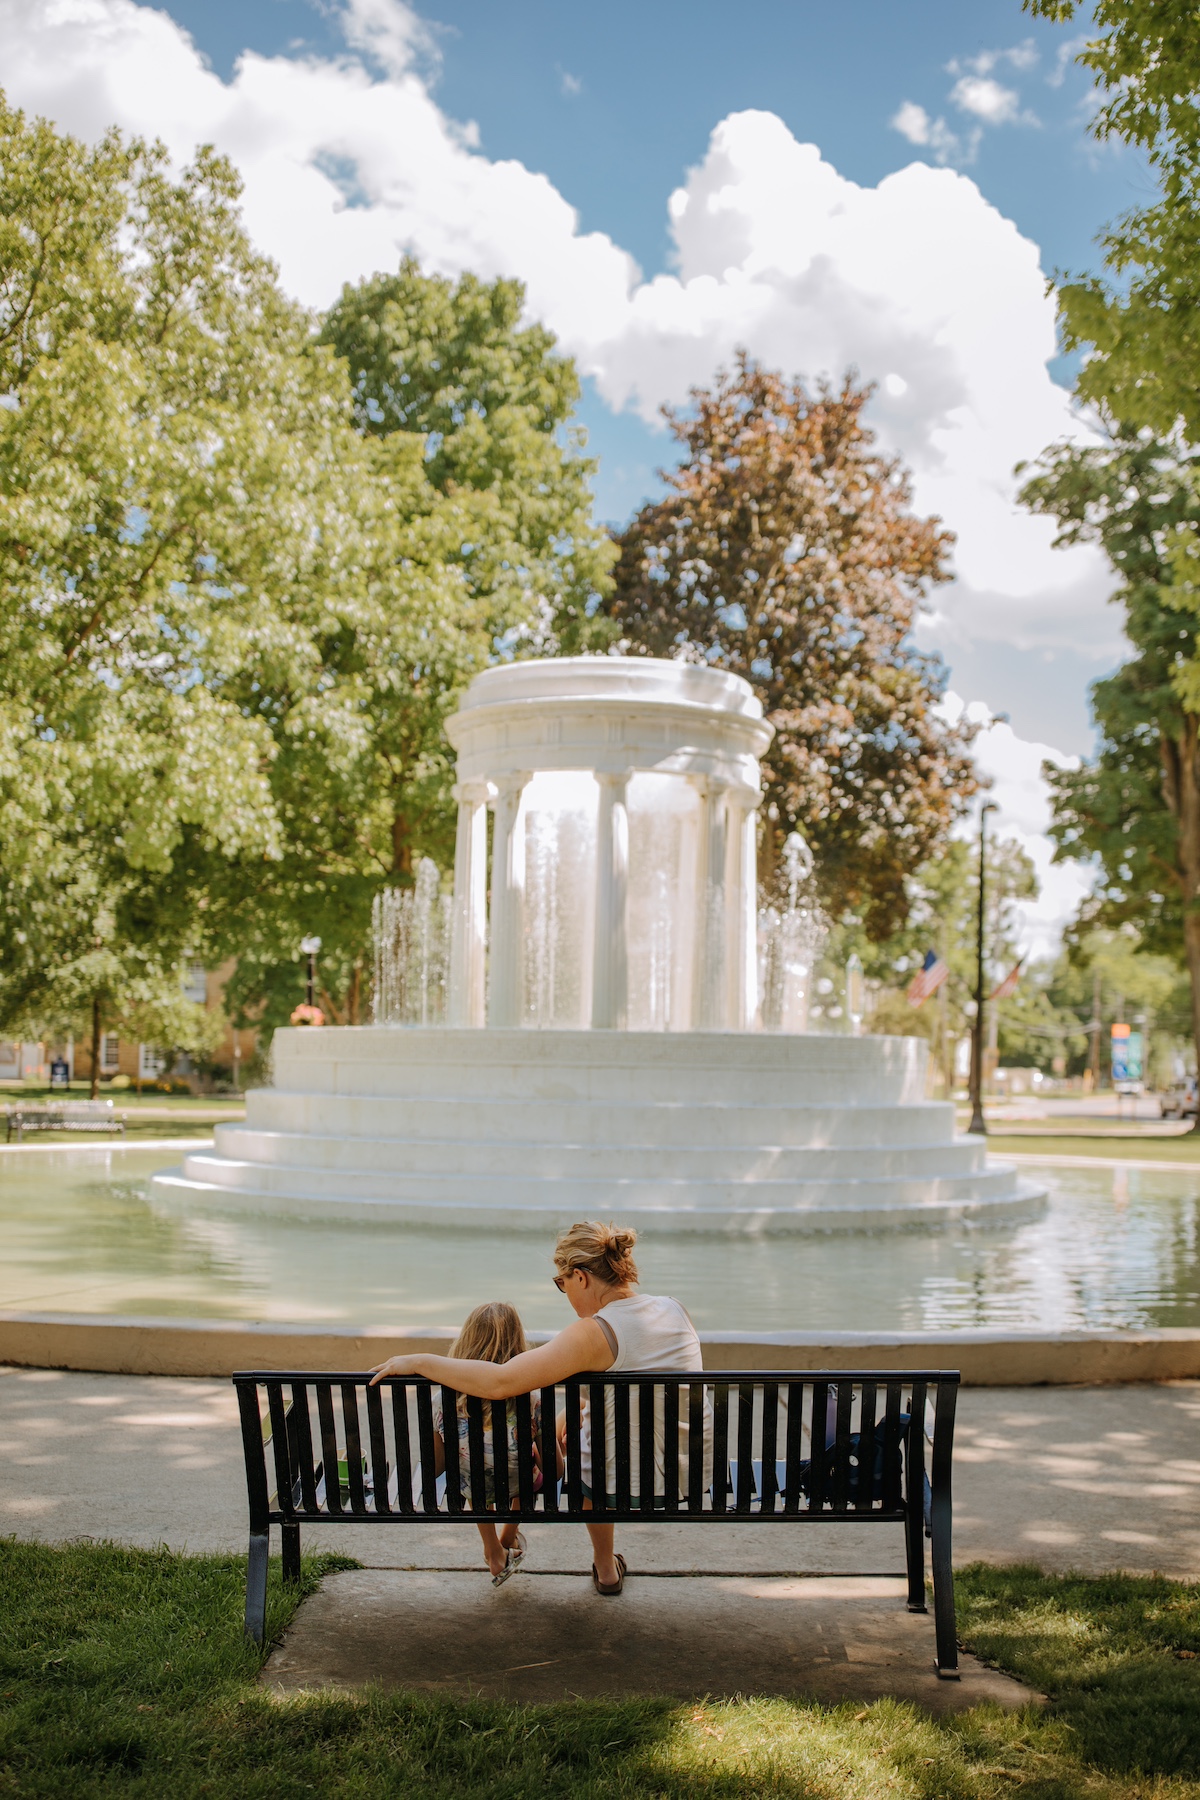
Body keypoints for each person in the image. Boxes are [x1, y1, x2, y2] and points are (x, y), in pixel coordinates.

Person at [369, 1221, 704, 1596]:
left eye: (562, 1284)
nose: (565, 1293)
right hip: (686, 1474)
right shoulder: (674, 1308)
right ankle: (605, 1569)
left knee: (589, 1450)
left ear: (579, 1277)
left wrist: (419, 1361)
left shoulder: (593, 1331)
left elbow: (500, 1382)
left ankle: (607, 1567)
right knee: (589, 1424)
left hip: (622, 1484)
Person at [433, 1301, 547, 1586]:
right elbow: (553, 1471)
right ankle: (508, 1534)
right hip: (518, 1480)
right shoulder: (531, 1399)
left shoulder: (445, 1400)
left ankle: (492, 1548)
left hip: (474, 1485)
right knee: (526, 1464)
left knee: (471, 1471)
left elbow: (436, 1467)